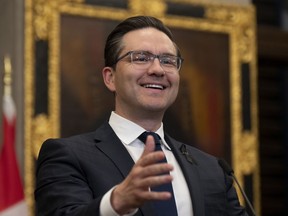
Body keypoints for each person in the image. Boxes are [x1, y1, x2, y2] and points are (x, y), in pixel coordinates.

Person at [35, 16, 248, 216]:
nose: (157, 69)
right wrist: (115, 203)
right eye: (141, 58)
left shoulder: (214, 170)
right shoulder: (68, 156)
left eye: (168, 60)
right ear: (110, 78)